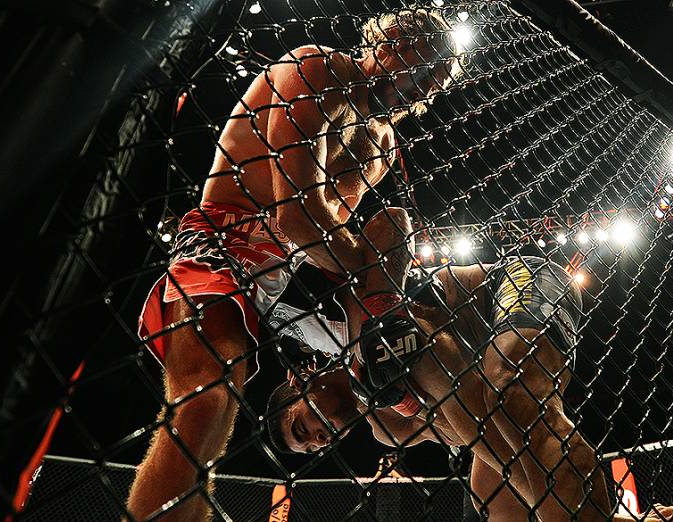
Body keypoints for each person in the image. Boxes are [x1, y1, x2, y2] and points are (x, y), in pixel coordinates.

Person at [127, 8, 462, 520]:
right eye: (423, 63)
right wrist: (364, 272)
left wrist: (371, 273)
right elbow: (300, 216)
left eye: (436, 80)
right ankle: (372, 332)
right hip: (221, 243)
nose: (424, 85)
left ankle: (372, 335)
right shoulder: (319, 70)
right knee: (207, 398)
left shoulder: (384, 145)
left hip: (275, 281)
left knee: (392, 223)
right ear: (390, 40)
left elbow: (333, 236)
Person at [264, 209, 673, 521]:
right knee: (493, 496)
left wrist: (381, 313)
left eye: (302, 427)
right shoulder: (385, 425)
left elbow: (390, 222)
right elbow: (474, 425)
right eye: (315, 447)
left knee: (507, 386)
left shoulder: (331, 314)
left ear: (300, 380)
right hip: (479, 395)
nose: (319, 438)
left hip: (512, 288)